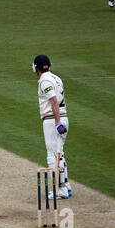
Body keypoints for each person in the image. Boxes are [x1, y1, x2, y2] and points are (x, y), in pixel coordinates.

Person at [33, 55, 72, 199]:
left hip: (53, 120)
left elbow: (54, 101)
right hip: (62, 117)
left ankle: (60, 190)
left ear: (36, 67)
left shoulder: (45, 81)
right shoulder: (56, 77)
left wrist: (57, 123)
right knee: (59, 152)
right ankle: (66, 186)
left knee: (53, 156)